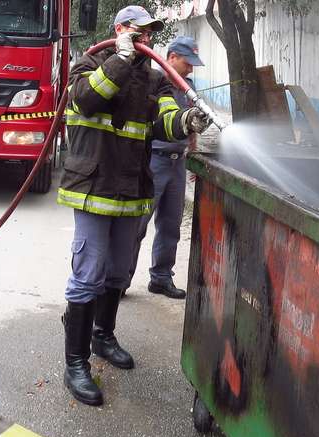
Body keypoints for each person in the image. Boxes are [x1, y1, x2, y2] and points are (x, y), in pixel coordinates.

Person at [58, 5, 211, 406]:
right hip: (94, 187)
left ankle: (103, 336)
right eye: (139, 32)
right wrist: (122, 58)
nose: (147, 39)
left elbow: (165, 120)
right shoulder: (88, 62)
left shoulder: (156, 80)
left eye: (150, 34)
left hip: (132, 188)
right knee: (89, 272)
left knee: (118, 271)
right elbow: (88, 99)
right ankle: (75, 364)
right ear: (121, 30)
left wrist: (188, 121)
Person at [126, 36, 204, 300]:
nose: (191, 68)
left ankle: (161, 278)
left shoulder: (188, 88)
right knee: (138, 224)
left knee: (171, 225)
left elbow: (191, 127)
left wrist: (192, 156)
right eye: (187, 62)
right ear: (171, 57)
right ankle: (120, 280)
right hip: (154, 161)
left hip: (177, 164)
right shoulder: (153, 84)